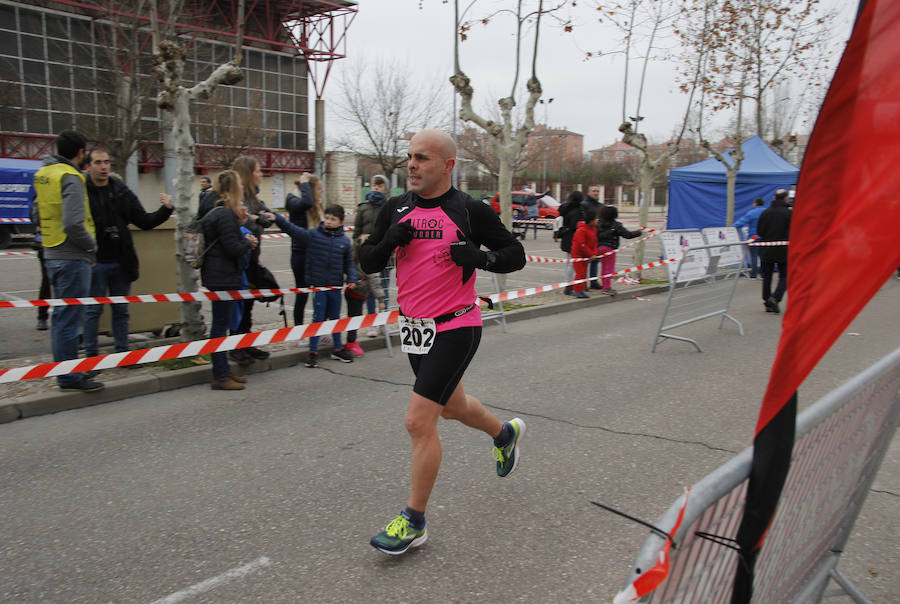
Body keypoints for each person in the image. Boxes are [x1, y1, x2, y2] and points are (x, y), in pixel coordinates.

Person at [358, 129, 527, 556]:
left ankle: (413, 521)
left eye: (423, 158)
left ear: (448, 165)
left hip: (456, 325)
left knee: (418, 420)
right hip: (415, 328)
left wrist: (481, 258)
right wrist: (387, 242)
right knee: (451, 407)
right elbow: (367, 260)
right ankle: (504, 434)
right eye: (410, 157)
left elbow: (515, 254)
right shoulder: (396, 208)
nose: (412, 165)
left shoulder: (468, 210)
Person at [81, 148, 173, 367]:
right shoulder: (81, 191)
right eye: (98, 162)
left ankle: (123, 356)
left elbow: (144, 221)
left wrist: (166, 209)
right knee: (93, 310)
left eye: (107, 162)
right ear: (89, 165)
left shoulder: (120, 191)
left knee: (121, 311)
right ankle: (90, 359)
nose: (104, 167)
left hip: (121, 262)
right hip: (95, 262)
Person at [32, 130, 103, 391]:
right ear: (81, 152)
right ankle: (69, 375)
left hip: (51, 251)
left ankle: (67, 370)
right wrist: (91, 246)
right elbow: (74, 222)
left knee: (62, 317)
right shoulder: (71, 176)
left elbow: (36, 213)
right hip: (72, 254)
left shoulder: (44, 174)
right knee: (70, 318)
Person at [261, 205, 357, 367]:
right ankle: (313, 351)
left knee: (335, 319)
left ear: (341, 222)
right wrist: (277, 218)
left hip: (335, 287)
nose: (328, 221)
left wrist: (352, 278)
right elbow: (294, 230)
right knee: (317, 319)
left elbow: (349, 263)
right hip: (318, 287)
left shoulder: (344, 242)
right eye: (326, 218)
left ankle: (338, 348)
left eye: (332, 219)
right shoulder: (314, 235)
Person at [200, 170, 257, 390]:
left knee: (221, 324)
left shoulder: (217, 211)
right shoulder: (224, 214)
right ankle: (220, 375)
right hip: (222, 277)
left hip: (219, 275)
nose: (243, 188)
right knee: (220, 326)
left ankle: (223, 370)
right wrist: (248, 243)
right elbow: (232, 248)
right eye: (240, 185)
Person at [230, 156, 273, 365]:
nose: (261, 174)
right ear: (248, 174)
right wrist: (255, 218)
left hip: (252, 259)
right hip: (238, 262)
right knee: (237, 306)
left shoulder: (255, 199)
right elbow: (237, 219)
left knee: (248, 306)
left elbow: (266, 214)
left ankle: (246, 343)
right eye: (257, 170)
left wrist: (267, 216)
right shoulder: (238, 199)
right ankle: (235, 347)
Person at [284, 172, 324, 327]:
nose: (321, 192)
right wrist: (305, 182)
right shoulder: (294, 200)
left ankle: (318, 327)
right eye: (319, 189)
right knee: (302, 294)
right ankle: (299, 329)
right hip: (301, 254)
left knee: (319, 294)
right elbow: (306, 202)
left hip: (316, 253)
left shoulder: (316, 206)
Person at [355, 174, 389, 336]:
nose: (376, 188)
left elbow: (393, 230)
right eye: (374, 185)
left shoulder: (389, 207)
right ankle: (372, 323)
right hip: (368, 255)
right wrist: (358, 247)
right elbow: (356, 232)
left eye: (380, 185)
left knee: (384, 288)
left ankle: (383, 321)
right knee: (369, 290)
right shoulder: (363, 207)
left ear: (386, 189)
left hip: (385, 255)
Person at [344, 248, 386, 357]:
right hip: (357, 294)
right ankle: (350, 344)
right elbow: (375, 283)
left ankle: (351, 341)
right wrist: (381, 300)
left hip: (351, 292)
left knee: (352, 318)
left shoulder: (355, 259)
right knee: (354, 320)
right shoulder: (370, 263)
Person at [757, 189, 792, 314]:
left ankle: (767, 301)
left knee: (767, 277)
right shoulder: (789, 214)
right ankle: (775, 298)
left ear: (774, 198)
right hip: (784, 249)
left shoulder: (765, 212)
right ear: (785, 198)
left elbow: (760, 231)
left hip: (767, 248)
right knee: (785, 276)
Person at [595, 205, 642, 295]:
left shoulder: (598, 223)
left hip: (599, 248)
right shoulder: (617, 225)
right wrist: (639, 232)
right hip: (610, 248)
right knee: (609, 269)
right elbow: (627, 235)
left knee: (604, 268)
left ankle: (604, 285)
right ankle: (607, 288)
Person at [558, 190, 584, 295]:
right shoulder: (577, 211)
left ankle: (569, 283)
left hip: (567, 238)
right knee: (571, 263)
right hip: (573, 238)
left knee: (569, 262)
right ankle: (569, 284)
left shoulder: (567, 208)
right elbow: (575, 226)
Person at [733, 197, 766, 278]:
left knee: (754, 256)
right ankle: (763, 274)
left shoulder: (752, 213)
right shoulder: (766, 212)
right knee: (763, 256)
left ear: (755, 204)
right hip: (765, 237)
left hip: (754, 237)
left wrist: (731, 228)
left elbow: (740, 222)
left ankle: (753, 274)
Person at [570, 208, 599, 299]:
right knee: (580, 273)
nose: (597, 220)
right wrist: (591, 254)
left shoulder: (593, 229)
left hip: (586, 255)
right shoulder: (581, 230)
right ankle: (577, 290)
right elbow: (581, 245)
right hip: (578, 255)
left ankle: (581, 290)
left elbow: (594, 242)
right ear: (591, 221)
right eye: (595, 219)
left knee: (583, 273)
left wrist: (594, 253)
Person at [582, 184, 604, 289]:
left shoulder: (601, 206)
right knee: (585, 262)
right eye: (594, 191)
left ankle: (593, 281)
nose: (596, 193)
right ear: (589, 192)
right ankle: (584, 283)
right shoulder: (584, 204)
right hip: (587, 236)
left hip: (598, 236)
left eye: (597, 191)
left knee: (596, 260)